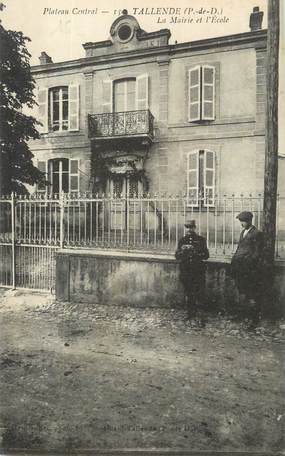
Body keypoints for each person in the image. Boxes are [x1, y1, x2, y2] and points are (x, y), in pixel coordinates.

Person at [231, 211, 264, 325]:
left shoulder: (257, 233)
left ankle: (253, 319)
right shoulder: (243, 232)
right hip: (240, 268)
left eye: (243, 221)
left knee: (252, 294)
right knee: (243, 292)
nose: (242, 224)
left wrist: (248, 263)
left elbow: (257, 253)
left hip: (250, 270)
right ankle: (244, 316)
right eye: (241, 221)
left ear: (250, 221)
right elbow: (240, 249)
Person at [175, 220, 209, 324]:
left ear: (195, 228)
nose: (189, 230)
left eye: (191, 227)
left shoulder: (201, 240)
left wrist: (195, 251)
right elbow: (177, 256)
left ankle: (201, 315)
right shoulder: (182, 240)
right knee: (189, 293)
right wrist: (182, 251)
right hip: (186, 271)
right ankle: (190, 314)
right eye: (187, 227)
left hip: (197, 270)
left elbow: (206, 255)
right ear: (185, 228)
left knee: (199, 293)